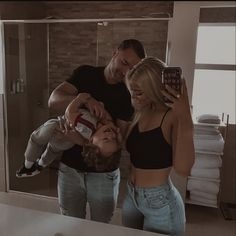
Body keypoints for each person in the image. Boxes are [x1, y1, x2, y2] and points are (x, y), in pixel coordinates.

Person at [48, 39, 146, 222]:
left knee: (101, 226)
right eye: (124, 62)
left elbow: (118, 142)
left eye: (131, 69)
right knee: (70, 222)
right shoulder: (85, 74)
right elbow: (53, 100)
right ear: (114, 52)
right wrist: (85, 99)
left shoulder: (128, 93)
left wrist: (82, 141)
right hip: (71, 168)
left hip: (104, 173)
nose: (125, 72)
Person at [122, 57, 195, 235]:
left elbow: (183, 169)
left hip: (160, 202)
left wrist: (185, 116)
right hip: (132, 195)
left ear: (154, 89)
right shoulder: (142, 111)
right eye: (132, 91)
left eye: (138, 92)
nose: (133, 97)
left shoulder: (171, 116)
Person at [16, 93, 122, 178]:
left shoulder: (87, 126)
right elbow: (107, 121)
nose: (110, 134)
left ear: (92, 142)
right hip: (67, 143)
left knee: (36, 139)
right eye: (113, 138)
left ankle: (27, 165)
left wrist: (79, 99)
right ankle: (41, 165)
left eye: (106, 139)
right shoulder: (100, 129)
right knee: (52, 151)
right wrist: (112, 126)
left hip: (58, 130)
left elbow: (69, 113)